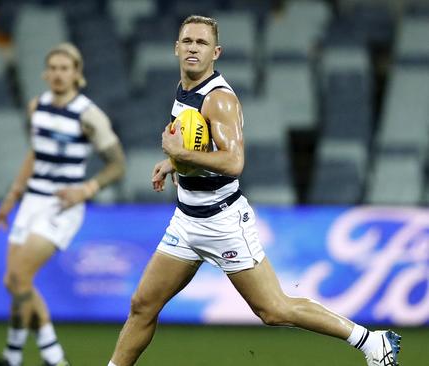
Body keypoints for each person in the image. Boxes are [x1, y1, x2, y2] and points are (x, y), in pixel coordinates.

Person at [107, 15, 401, 366]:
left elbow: (233, 162)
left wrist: (180, 154)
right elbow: (199, 144)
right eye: (187, 41)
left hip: (222, 222)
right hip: (187, 221)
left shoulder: (219, 99)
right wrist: (173, 164)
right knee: (143, 306)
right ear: (176, 47)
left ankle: (371, 341)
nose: (193, 49)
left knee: (274, 309)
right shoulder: (184, 88)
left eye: (201, 44)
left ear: (216, 52)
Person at [0, 43, 126, 366]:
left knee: (20, 276)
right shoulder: (36, 106)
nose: (57, 74)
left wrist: (87, 189)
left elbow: (118, 164)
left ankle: (52, 356)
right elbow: (35, 153)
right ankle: (13, 355)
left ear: (77, 74)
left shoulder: (88, 114)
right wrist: (12, 196)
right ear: (44, 73)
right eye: (52, 67)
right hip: (32, 200)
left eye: (64, 68)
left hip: (62, 206)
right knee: (14, 281)